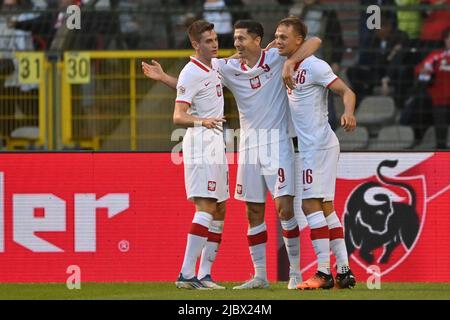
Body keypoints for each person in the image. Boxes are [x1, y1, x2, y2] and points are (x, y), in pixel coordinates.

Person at [143, 19, 322, 290]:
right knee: (253, 211)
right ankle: (260, 275)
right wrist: (164, 78)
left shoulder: (275, 57)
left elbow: (315, 41)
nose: (235, 43)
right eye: (235, 38)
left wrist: (289, 62)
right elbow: (192, 82)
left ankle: (295, 273)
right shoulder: (225, 66)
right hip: (248, 144)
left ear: (257, 41)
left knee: (284, 208)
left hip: (276, 143)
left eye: (241, 39)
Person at [144, 20, 229, 289]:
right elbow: (178, 116)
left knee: (219, 209)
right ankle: (185, 274)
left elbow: (190, 88)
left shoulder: (213, 65)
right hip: (201, 142)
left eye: (215, 39)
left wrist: (163, 78)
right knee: (205, 207)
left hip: (217, 142)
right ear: (195, 44)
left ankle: (204, 275)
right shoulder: (191, 72)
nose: (214, 44)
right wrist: (203, 121)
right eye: (208, 41)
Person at [275, 16, 357, 289]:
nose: (277, 41)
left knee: (308, 205)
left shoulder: (314, 66)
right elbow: (310, 41)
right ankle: (344, 271)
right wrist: (287, 61)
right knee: (325, 207)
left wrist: (348, 112)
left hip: (318, 145)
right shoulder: (281, 60)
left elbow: (347, 91)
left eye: (283, 37)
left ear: (298, 41)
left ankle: (323, 273)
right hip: (315, 146)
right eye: (276, 36)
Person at [415, 27, 450, 149]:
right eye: (448, 38)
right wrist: (424, 73)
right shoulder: (436, 56)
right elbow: (422, 70)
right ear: (445, 40)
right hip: (440, 100)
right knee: (440, 134)